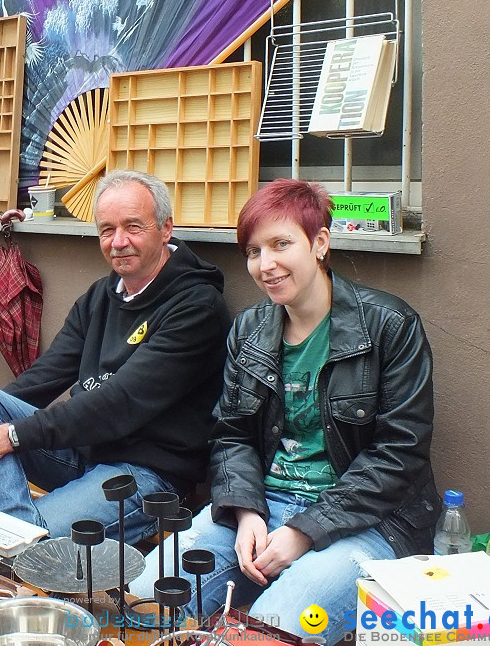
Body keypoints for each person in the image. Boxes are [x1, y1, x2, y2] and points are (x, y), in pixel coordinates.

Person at [130, 179, 439, 645]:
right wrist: (245, 511)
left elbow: (400, 452)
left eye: (281, 244)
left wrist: (305, 530)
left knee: (267, 633)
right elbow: (230, 434)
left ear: (319, 243)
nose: (266, 265)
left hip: (370, 521)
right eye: (254, 251)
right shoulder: (249, 330)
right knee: (142, 600)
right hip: (264, 505)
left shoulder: (390, 326)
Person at [0, 170, 231, 543]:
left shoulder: (197, 307)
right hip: (82, 452)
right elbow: (45, 377)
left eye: (132, 227)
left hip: (145, 475)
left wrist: (3, 436)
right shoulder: (100, 297)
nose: (118, 242)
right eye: (107, 230)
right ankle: (4, 540)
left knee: (31, 540)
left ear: (165, 228)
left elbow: (118, 402)